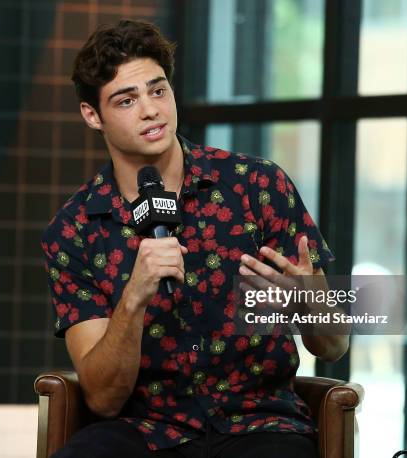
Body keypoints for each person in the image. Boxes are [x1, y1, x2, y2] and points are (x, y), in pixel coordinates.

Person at [41, 19, 349, 458]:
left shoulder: (256, 185)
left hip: (258, 423)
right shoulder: (73, 231)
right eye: (126, 100)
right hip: (144, 428)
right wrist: (133, 298)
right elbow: (104, 398)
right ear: (93, 115)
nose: (151, 110)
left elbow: (335, 346)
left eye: (158, 90)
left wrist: (310, 303)